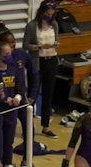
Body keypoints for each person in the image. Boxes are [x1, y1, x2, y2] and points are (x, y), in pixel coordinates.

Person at [0, 20, 41, 167]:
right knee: (6, 136)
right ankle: (3, 165)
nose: (13, 46)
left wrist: (32, 96)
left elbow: (34, 74)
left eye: (14, 42)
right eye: (9, 44)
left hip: (21, 101)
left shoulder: (22, 55)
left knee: (30, 129)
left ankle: (27, 162)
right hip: (4, 104)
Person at [23, 0, 60, 139]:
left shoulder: (54, 25)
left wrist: (55, 44)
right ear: (42, 11)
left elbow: (56, 39)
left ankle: (46, 126)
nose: (50, 15)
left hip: (51, 60)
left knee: (48, 94)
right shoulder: (32, 26)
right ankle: (28, 126)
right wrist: (40, 47)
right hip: (38, 62)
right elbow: (25, 45)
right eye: (47, 13)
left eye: (52, 13)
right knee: (32, 94)